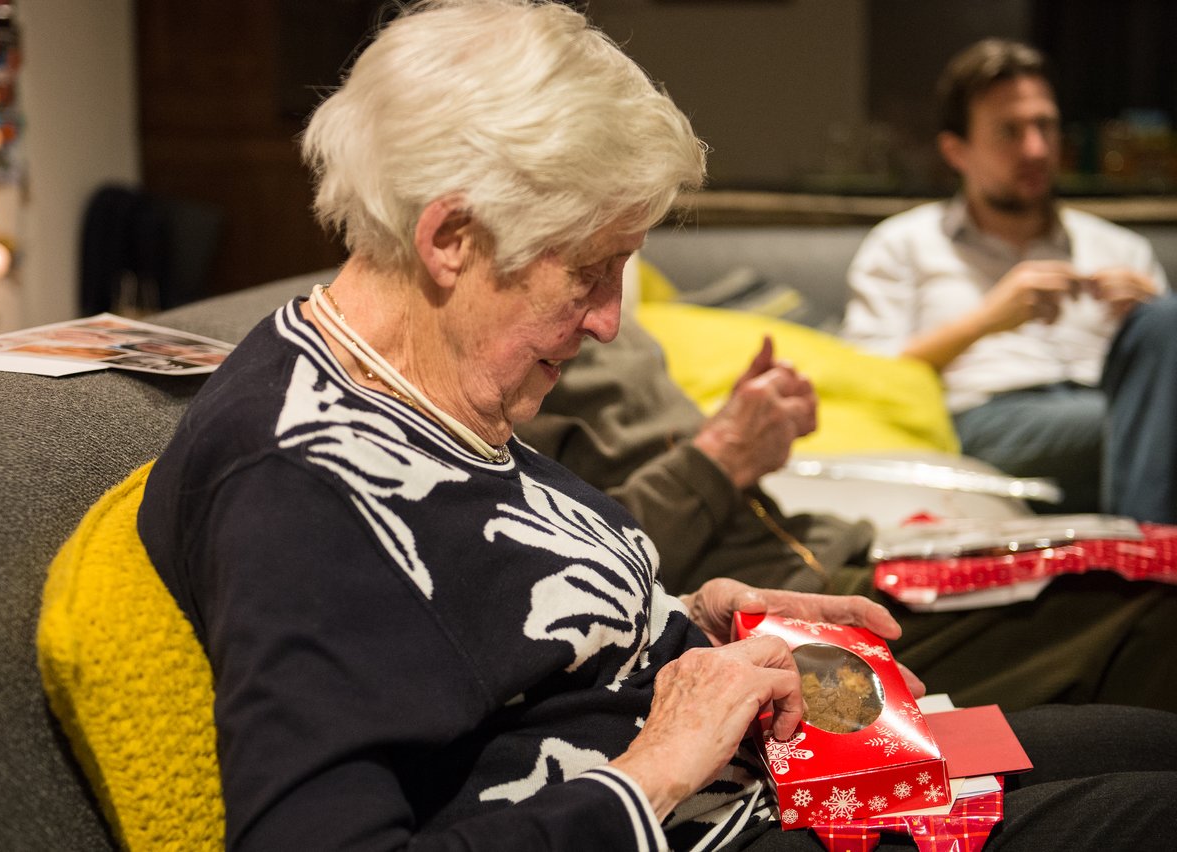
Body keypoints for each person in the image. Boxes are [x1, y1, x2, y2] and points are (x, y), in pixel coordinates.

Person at [136, 3, 1177, 848]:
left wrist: (694, 612)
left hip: (778, 770)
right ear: (449, 237)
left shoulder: (419, 386)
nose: (606, 318)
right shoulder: (297, 482)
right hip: (719, 820)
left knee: (1148, 741)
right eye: (588, 269)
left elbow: (495, 623)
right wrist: (654, 766)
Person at [517, 308, 1177, 714]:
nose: (608, 310)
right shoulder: (498, 363)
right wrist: (720, 456)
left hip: (843, 555)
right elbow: (570, 568)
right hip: (778, 609)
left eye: (621, 256)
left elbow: (656, 468)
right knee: (1144, 598)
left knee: (1140, 553)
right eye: (591, 263)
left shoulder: (603, 319)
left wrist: (745, 424)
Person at [842, 38, 1177, 523]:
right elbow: (867, 379)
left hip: (1108, 399)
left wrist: (1151, 319)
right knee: (1154, 425)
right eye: (1010, 132)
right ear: (957, 151)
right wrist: (983, 322)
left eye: (1045, 126)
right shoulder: (904, 244)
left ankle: (1147, 568)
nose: (1037, 149)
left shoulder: (1117, 247)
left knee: (1164, 325)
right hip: (988, 419)